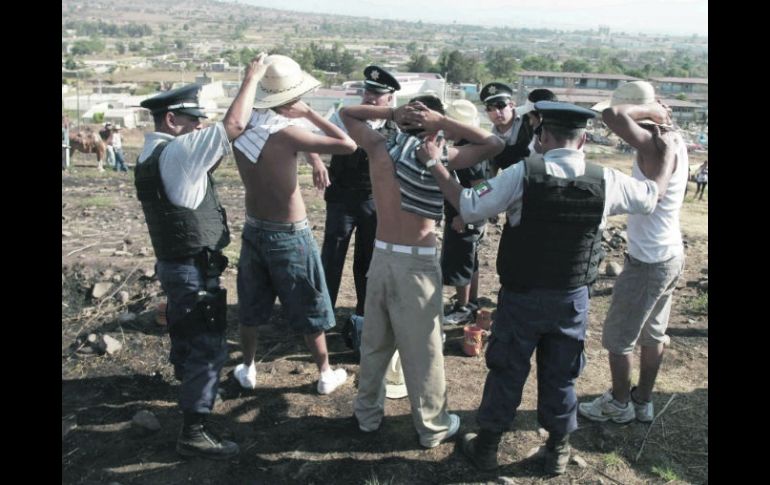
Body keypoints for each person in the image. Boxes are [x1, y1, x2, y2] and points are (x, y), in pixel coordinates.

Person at [423, 101, 677, 474]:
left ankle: (489, 445)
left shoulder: (520, 173)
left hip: (522, 295)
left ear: (541, 137)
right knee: (562, 373)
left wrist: (434, 162)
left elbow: (467, 204)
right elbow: (652, 196)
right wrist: (669, 156)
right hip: (571, 299)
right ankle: (557, 450)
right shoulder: (606, 179)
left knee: (507, 367)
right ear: (584, 138)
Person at [340, 94, 503, 448]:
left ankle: (367, 415)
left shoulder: (380, 146)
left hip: (381, 256)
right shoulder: (439, 155)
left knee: (375, 346)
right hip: (416, 259)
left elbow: (347, 112)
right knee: (424, 353)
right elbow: (494, 143)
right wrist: (441, 123)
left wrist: (393, 112)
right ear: (431, 122)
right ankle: (433, 427)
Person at [133, 52, 268, 460]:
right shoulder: (177, 153)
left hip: (175, 264)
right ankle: (193, 431)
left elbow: (212, 150)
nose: (199, 126)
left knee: (185, 332)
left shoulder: (152, 153)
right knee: (208, 347)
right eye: (192, 120)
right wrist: (252, 77)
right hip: (191, 269)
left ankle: (192, 387)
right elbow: (234, 125)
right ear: (172, 120)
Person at [230, 54, 356, 396]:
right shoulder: (288, 134)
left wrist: (313, 157)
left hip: (254, 227)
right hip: (289, 233)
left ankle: (248, 366)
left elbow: (301, 145)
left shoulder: (242, 127)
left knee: (251, 302)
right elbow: (348, 144)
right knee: (308, 301)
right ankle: (325, 372)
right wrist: (311, 114)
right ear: (290, 101)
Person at [579, 81, 688, 426]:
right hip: (670, 252)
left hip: (649, 260)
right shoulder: (672, 141)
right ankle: (642, 401)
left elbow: (613, 115)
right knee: (653, 333)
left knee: (618, 338)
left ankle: (620, 403)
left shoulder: (653, 143)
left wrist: (650, 111)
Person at [318, 65, 401, 342]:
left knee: (368, 260)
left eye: (378, 94)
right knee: (332, 255)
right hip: (341, 199)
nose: (371, 97)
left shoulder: (395, 129)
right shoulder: (344, 117)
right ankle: (322, 314)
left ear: (389, 99)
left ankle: (364, 315)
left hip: (373, 203)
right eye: (368, 91)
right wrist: (318, 162)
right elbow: (311, 138)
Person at [440, 99, 488, 325]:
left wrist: (465, 214)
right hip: (468, 214)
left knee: (461, 262)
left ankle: (463, 307)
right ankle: (471, 301)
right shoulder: (472, 145)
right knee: (471, 261)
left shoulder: (467, 154)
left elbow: (483, 187)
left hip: (465, 216)